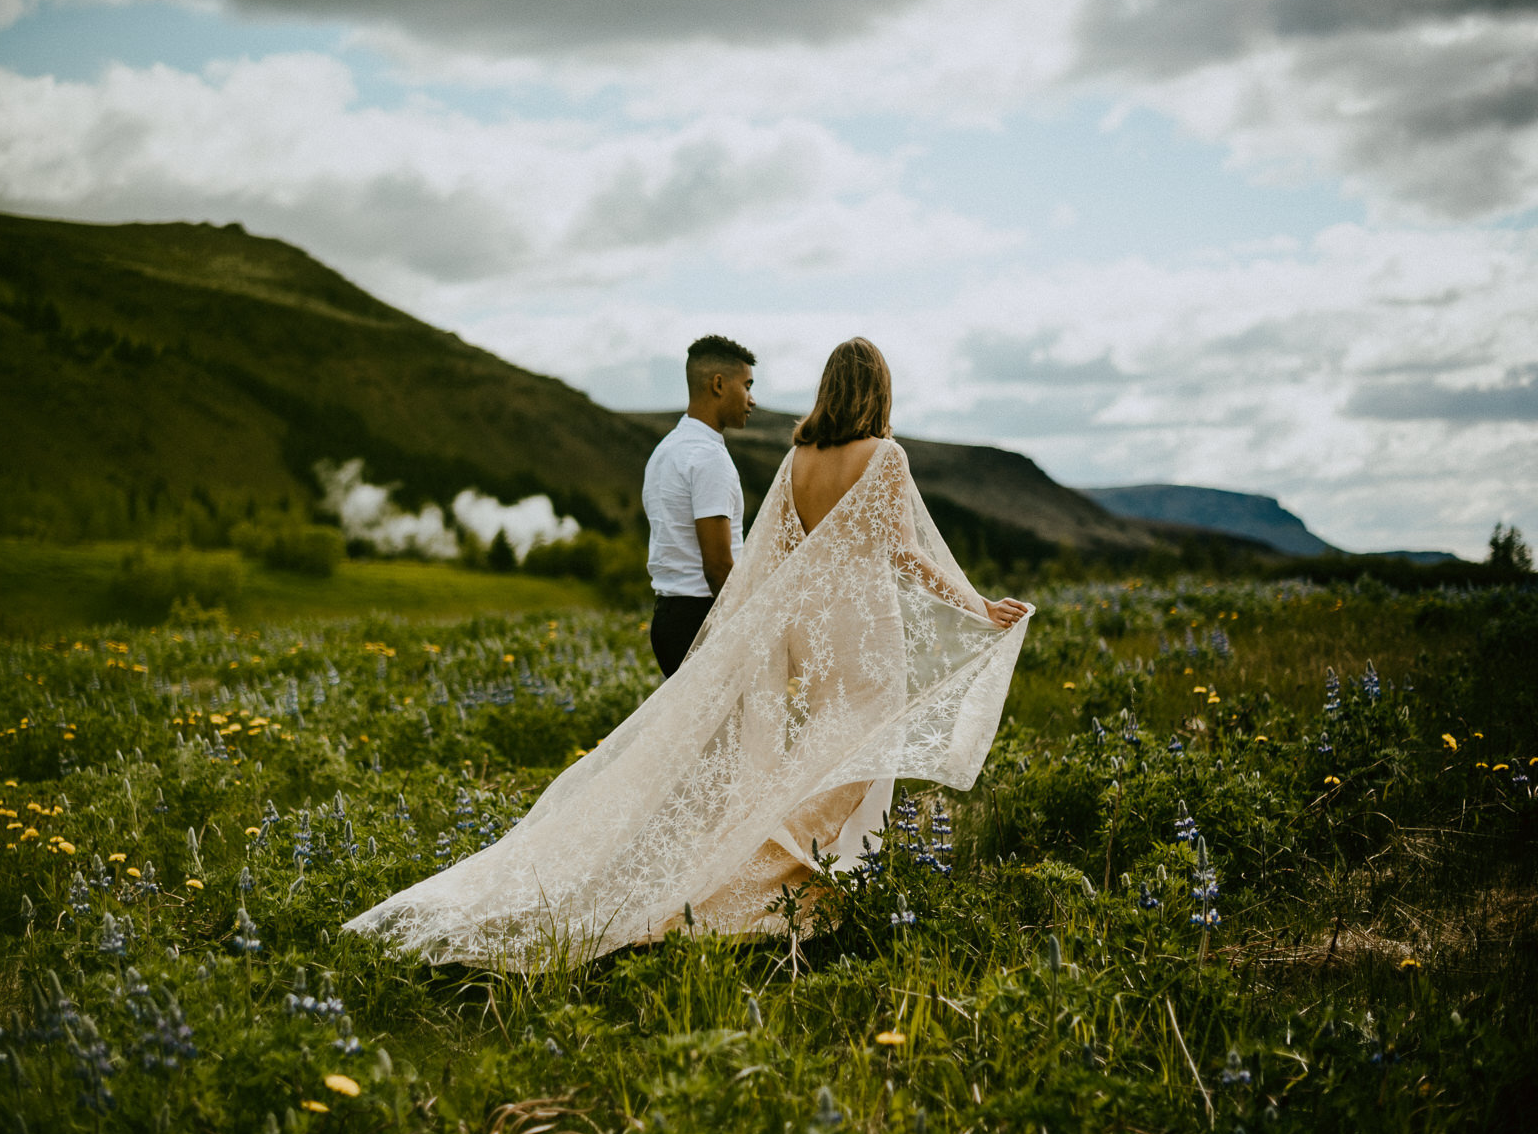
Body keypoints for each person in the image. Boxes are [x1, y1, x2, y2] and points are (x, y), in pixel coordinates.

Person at [344, 337, 1032, 970]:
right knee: (855, 760)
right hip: (862, 628)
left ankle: (818, 891)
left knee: (818, 754)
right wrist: (979, 605)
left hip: (808, 630)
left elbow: (785, 557)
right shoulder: (885, 456)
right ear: (878, 390)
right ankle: (780, 891)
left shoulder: (799, 459)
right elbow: (904, 550)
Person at [642, 335, 756, 677]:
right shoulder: (708, 458)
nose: (752, 400)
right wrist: (748, 629)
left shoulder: (665, 450)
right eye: (747, 385)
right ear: (718, 384)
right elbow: (718, 565)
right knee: (730, 731)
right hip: (702, 619)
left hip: (669, 617)